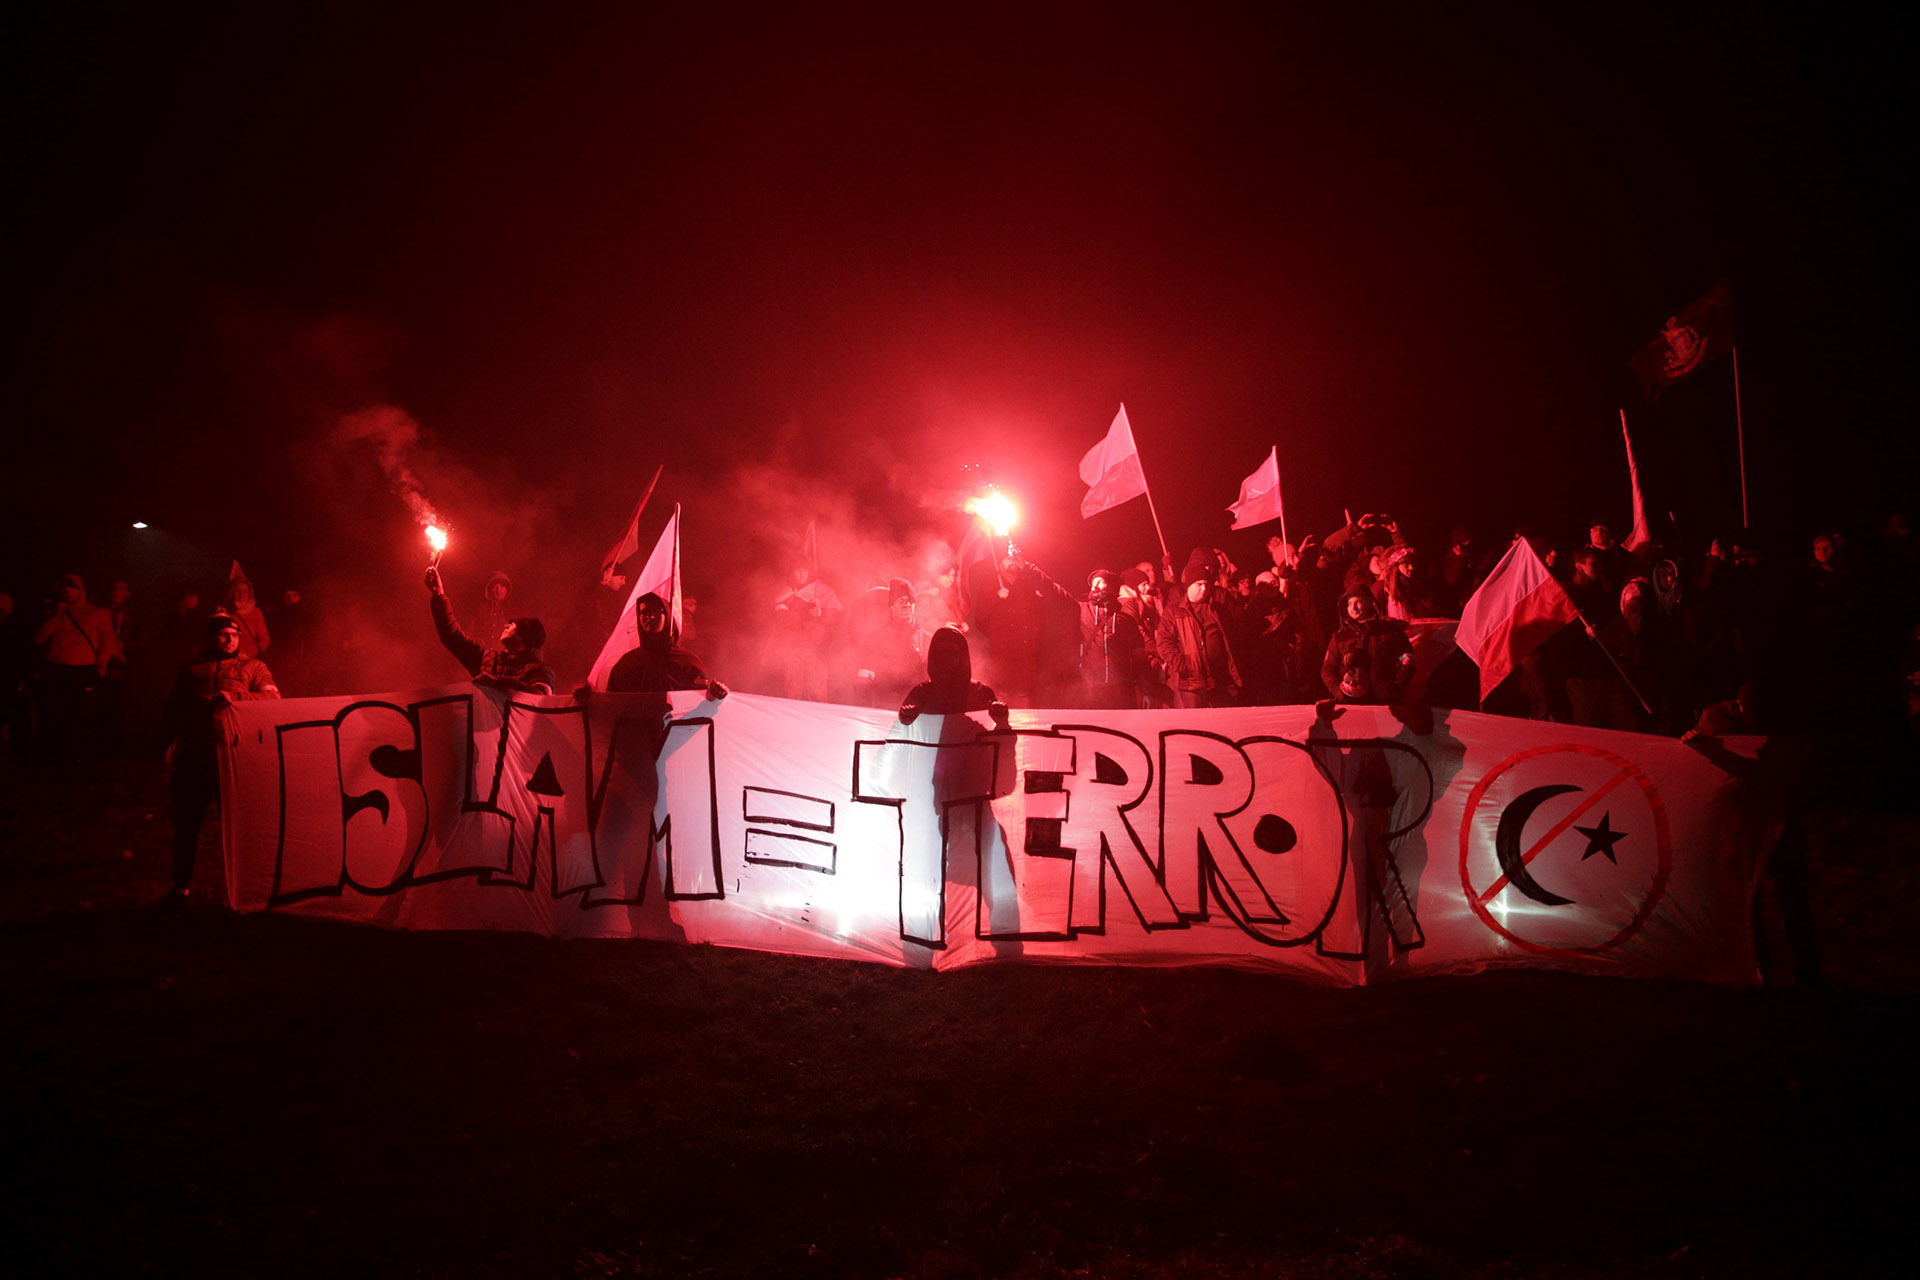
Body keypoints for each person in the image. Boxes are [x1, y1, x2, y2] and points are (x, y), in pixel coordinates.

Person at [157, 613, 279, 904]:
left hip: (235, 756)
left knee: (239, 825)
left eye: (234, 635)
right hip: (195, 755)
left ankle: (246, 889)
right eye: (223, 635)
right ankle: (181, 886)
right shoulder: (191, 671)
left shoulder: (253, 668)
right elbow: (173, 709)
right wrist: (165, 743)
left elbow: (273, 699)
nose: (229, 640)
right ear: (210, 637)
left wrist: (237, 698)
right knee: (187, 823)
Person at [426, 567, 558, 694]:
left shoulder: (540, 671)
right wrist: (438, 594)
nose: (506, 626)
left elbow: (540, 697)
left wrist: (497, 683)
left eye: (512, 625)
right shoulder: (488, 659)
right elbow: (453, 637)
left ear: (524, 636)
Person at [32, 573, 120, 763]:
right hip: (56, 668)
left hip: (84, 669)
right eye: (63, 588)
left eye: (72, 588)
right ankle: (53, 755)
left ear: (80, 590)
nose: (68, 592)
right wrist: (56, 614)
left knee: (81, 713)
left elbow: (107, 640)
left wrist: (100, 664)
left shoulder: (96, 612)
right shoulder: (55, 612)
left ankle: (79, 755)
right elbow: (38, 638)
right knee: (54, 712)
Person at [604, 591, 728, 697]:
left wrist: (715, 695)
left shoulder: (687, 662)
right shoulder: (626, 664)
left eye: (655, 612)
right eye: (644, 612)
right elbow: (610, 704)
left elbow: (701, 701)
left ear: (667, 616)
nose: (650, 617)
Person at [899, 625, 1009, 729]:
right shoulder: (920, 694)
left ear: (962, 656)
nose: (947, 659)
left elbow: (999, 742)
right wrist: (906, 721)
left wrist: (1001, 721)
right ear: (934, 657)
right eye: (942, 652)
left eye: (952, 652)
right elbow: (899, 739)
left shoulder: (982, 694)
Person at [218, 575, 270, 660]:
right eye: (237, 591)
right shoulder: (225, 612)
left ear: (250, 592)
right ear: (231, 592)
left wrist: (255, 651)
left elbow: (264, 639)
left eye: (245, 591)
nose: (242, 594)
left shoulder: (256, 612)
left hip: (250, 659)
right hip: (229, 659)